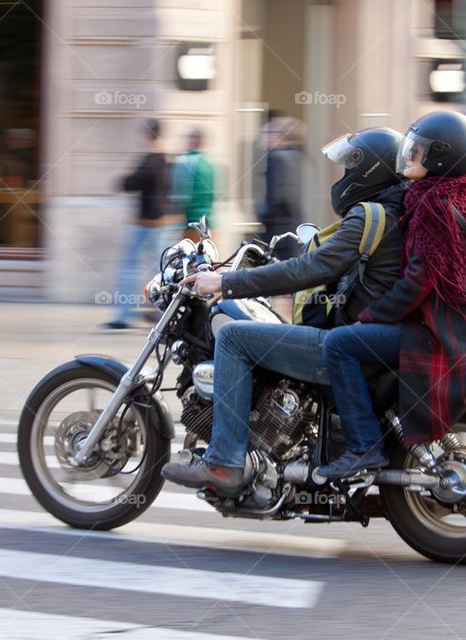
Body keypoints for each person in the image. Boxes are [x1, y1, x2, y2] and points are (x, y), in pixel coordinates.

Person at [160, 127, 407, 496]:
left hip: (347, 344)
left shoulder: (369, 215)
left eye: (350, 167)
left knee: (231, 337)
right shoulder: (395, 210)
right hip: (368, 338)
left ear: (369, 170)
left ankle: (225, 461)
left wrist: (226, 282)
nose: (344, 177)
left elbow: (311, 269)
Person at [316, 111, 466, 479]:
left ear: (441, 158)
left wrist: (367, 317)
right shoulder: (462, 195)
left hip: (445, 329)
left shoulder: (434, 207)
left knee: (340, 344)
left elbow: (418, 282)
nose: (409, 156)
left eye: (418, 151)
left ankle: (362, 447)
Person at [103, 119, 176, 331]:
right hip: (159, 220)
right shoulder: (166, 160)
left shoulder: (151, 159)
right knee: (158, 267)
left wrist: (121, 181)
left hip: (146, 221)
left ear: (148, 134)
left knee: (129, 266)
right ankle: (159, 312)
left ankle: (123, 316)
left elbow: (131, 182)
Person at [259, 117, 306, 260]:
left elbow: (278, 197)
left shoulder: (276, 157)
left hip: (277, 230)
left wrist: (260, 212)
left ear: (279, 136)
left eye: (268, 133)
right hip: (293, 227)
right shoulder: (299, 156)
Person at [170, 128, 215, 242]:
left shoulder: (186, 162)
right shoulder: (208, 164)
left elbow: (181, 195)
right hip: (207, 222)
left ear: (192, 142)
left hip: (191, 222)